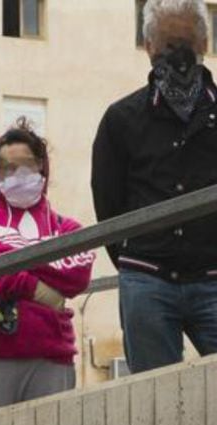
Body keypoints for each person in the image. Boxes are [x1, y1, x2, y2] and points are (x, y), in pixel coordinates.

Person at [91, 0, 217, 375]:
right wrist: (135, 260)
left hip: (212, 274)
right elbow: (108, 203)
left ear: (203, 46)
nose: (177, 57)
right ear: (148, 48)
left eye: (186, 45)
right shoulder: (121, 118)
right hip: (147, 278)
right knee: (152, 400)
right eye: (166, 46)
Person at [0, 119, 94, 415]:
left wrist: (3, 253)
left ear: (43, 167)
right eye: (8, 167)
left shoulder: (67, 228)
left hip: (52, 357)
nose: (19, 174)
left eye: (27, 165)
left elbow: (76, 276)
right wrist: (36, 288)